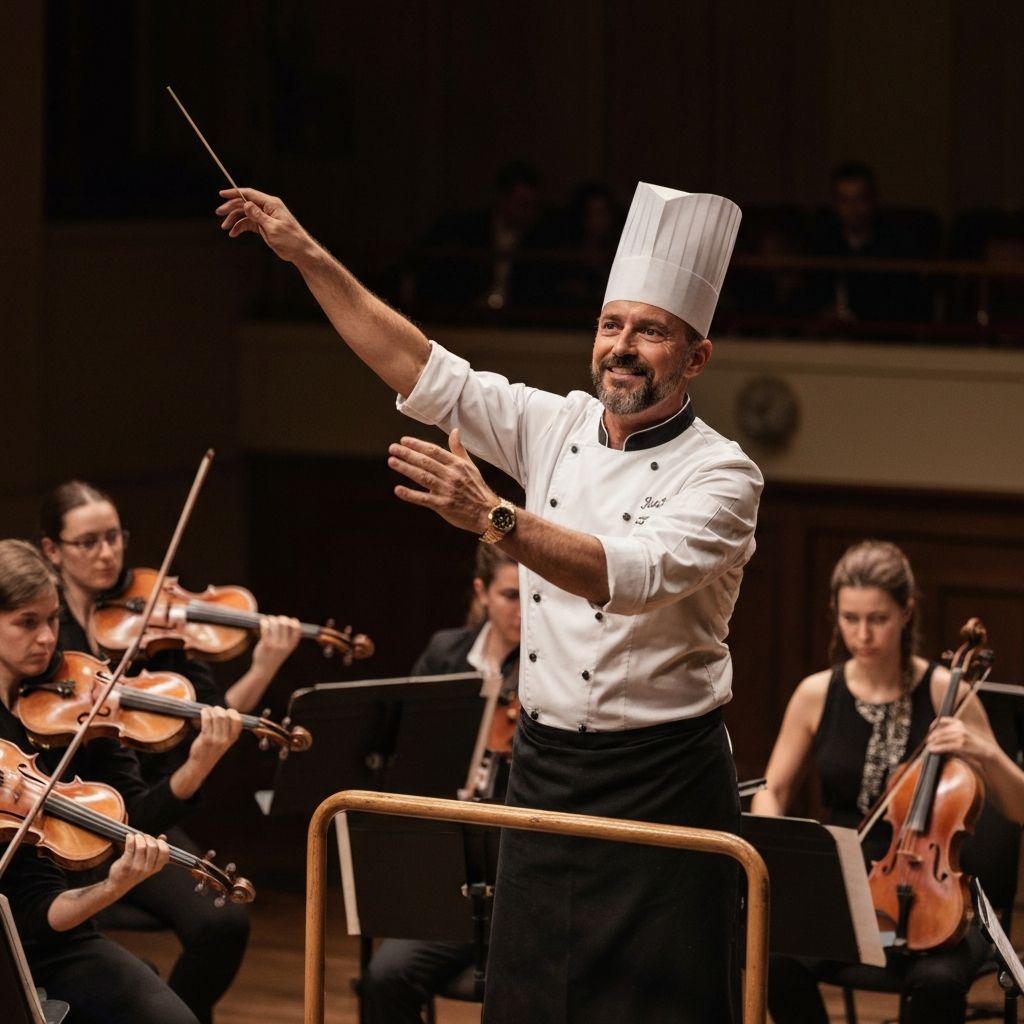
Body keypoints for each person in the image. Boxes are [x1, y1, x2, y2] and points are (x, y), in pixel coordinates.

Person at [217, 176, 761, 1023]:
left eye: (651, 332)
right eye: (612, 324)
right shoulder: (555, 424)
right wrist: (303, 252)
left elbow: (631, 575)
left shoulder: (724, 473)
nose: (623, 345)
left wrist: (494, 517)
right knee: (531, 1000)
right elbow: (418, 365)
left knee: (666, 1009)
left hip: (662, 778)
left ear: (695, 358)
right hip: (545, 771)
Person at [36, 480, 300, 1024]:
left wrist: (263, 667)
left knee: (222, 924)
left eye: (113, 537)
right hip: (59, 817)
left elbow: (207, 711)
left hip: (143, 803)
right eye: (88, 542)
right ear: (51, 550)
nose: (107, 553)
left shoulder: (152, 615)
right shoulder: (39, 637)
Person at [751, 539, 1024, 1024]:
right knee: (774, 959)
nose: (863, 633)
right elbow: (772, 788)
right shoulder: (816, 693)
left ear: (907, 613)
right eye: (849, 618)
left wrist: (983, 750)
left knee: (937, 981)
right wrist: (776, 841)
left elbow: (1019, 806)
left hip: (938, 901)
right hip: (847, 895)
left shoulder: (947, 690)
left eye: (877, 618)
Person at [0, 537, 242, 1023]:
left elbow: (134, 815)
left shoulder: (67, 706)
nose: (48, 638)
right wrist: (110, 888)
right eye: (27, 623)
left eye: (51, 620)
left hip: (62, 932)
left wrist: (197, 763)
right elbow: (29, 914)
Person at [361, 543, 519, 1023]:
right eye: (511, 595)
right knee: (385, 977)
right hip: (448, 876)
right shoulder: (445, 653)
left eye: (534, 596)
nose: (524, 609)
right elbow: (408, 751)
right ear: (482, 593)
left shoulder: (553, 667)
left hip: (521, 880)